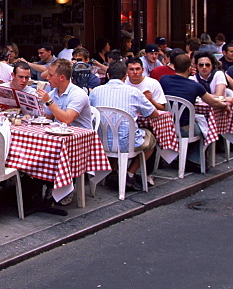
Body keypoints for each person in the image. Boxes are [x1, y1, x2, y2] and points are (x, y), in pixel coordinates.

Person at [88, 61, 158, 191]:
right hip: (126, 144)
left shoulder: (95, 92)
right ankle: (129, 173)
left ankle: (113, 171)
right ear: (125, 76)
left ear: (108, 75)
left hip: (101, 142)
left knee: (112, 131)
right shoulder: (134, 92)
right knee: (151, 139)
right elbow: (154, 114)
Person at [36, 59, 92, 128]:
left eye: (51, 75)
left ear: (62, 77)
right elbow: (49, 120)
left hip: (81, 136)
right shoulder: (52, 94)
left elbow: (67, 120)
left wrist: (49, 101)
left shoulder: (79, 94)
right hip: (60, 134)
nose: (47, 78)